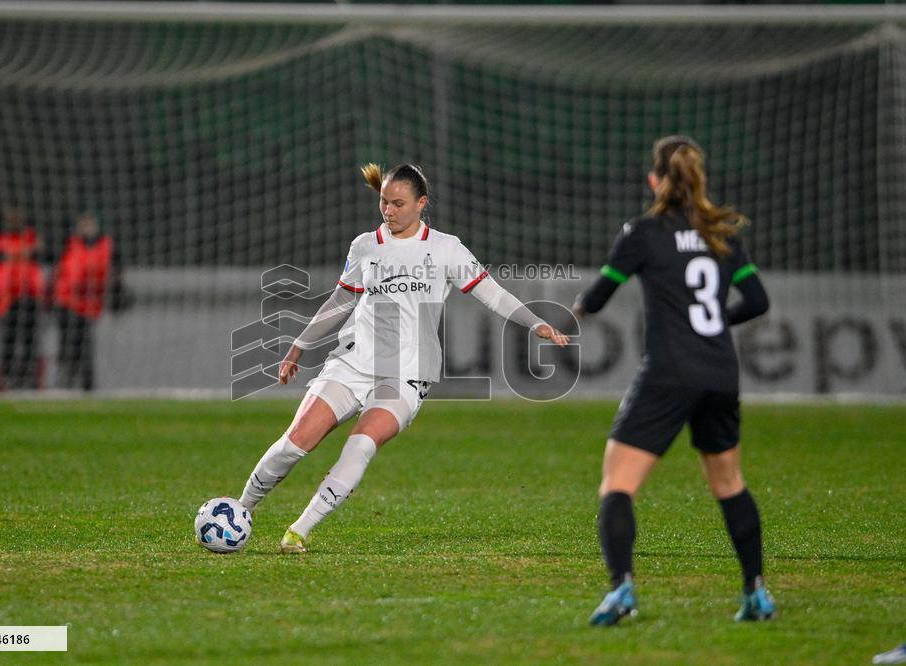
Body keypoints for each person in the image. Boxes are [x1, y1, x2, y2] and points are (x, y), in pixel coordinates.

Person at [237, 163, 569, 554]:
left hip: (408, 374)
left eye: (398, 203)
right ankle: (239, 512)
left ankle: (299, 531)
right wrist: (300, 344)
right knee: (295, 443)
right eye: (384, 202)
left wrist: (534, 324)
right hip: (353, 363)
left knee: (360, 446)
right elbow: (342, 299)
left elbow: (491, 292)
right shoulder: (365, 245)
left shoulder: (445, 248)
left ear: (421, 203)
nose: (388, 211)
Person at [572, 136, 773, 625]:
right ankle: (757, 593)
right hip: (720, 372)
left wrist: (571, 316)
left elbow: (599, 297)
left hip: (668, 372)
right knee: (729, 484)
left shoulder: (643, 232)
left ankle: (621, 589)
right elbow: (759, 302)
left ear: (654, 181)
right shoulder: (722, 234)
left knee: (617, 483)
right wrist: (716, 323)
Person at [52, 211, 118, 391]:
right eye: (83, 224)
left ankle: (86, 385)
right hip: (67, 303)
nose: (86, 227)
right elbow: (62, 272)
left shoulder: (104, 245)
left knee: (85, 345)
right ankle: (66, 381)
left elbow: (105, 272)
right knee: (68, 344)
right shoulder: (70, 245)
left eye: (89, 223)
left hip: (88, 306)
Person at [0, 206, 43, 389]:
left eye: (16, 215)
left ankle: (29, 377)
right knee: (9, 340)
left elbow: (39, 251)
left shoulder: (30, 237)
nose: (13, 219)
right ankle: (7, 378)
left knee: (29, 340)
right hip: (7, 298)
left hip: (29, 296)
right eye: (10, 215)